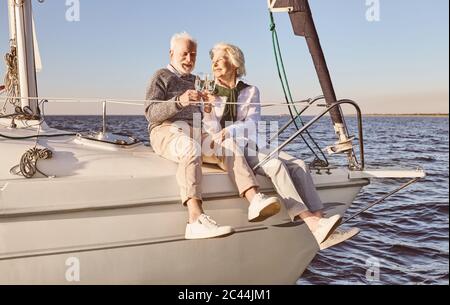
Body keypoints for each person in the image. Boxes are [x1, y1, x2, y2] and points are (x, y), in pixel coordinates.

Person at [202, 42, 360, 249]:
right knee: (275, 166)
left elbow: (252, 122)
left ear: (234, 62)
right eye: (212, 59)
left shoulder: (250, 91)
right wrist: (208, 108)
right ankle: (312, 223)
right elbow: (211, 129)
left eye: (219, 58)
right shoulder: (208, 92)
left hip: (253, 141)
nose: (214, 63)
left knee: (300, 164)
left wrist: (231, 129)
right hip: (234, 148)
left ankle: (321, 224)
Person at [144, 33, 281, 240]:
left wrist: (206, 106)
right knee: (191, 148)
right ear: (171, 53)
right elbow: (150, 113)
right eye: (184, 54)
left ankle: (254, 201)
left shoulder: (196, 80)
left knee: (227, 145)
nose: (189, 60)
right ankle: (195, 220)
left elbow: (203, 115)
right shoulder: (161, 76)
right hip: (165, 129)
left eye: (193, 55)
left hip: (196, 130)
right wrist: (180, 101)